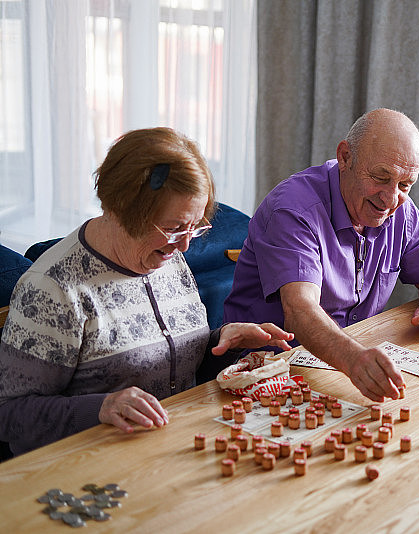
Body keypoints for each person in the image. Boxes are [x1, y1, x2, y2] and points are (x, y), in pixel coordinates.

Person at [0, 127, 294, 457]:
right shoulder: (53, 289)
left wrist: (224, 343)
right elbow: (11, 415)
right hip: (91, 465)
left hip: (174, 449)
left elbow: (176, 371)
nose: (185, 245)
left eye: (195, 227)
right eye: (173, 228)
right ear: (121, 209)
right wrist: (102, 408)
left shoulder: (167, 257)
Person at [224, 108, 419, 402]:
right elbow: (300, 311)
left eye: (404, 185)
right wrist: (354, 360)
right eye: (380, 177)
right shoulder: (294, 209)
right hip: (263, 373)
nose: (390, 199)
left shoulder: (401, 208)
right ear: (345, 157)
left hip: (343, 362)